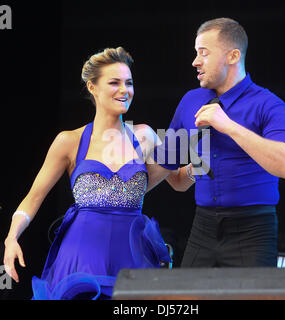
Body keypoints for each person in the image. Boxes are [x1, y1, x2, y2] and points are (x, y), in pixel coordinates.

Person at [3, 47, 191, 300]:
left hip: (131, 254)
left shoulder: (144, 136)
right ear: (92, 87)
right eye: (114, 82)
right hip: (81, 257)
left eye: (129, 83)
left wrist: (201, 166)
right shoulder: (69, 141)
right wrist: (11, 237)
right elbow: (34, 197)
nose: (125, 90)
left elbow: (179, 182)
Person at [155, 18, 285, 267]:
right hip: (202, 227)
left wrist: (228, 126)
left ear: (233, 56)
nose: (195, 62)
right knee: (188, 302)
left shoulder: (269, 104)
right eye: (195, 53)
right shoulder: (190, 100)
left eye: (203, 53)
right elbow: (174, 178)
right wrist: (149, 145)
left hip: (253, 230)